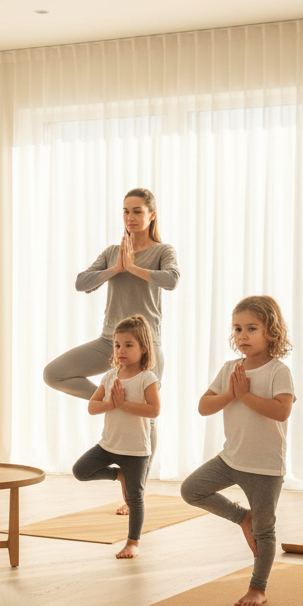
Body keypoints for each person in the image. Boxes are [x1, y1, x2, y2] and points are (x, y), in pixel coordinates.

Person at [43, 188, 179, 463]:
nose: (130, 217)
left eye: (137, 211)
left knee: (148, 420)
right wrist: (116, 268)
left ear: (152, 215)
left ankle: (135, 492)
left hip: (147, 345)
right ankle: (116, 402)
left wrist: (133, 268)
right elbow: (82, 282)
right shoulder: (112, 253)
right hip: (110, 341)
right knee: (53, 374)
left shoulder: (163, 251)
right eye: (126, 211)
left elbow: (172, 280)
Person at [181, 296, 295, 606]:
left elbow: (281, 411)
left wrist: (244, 396)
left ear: (271, 332)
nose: (242, 335)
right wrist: (231, 392)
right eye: (237, 328)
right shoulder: (230, 369)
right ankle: (240, 517)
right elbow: (204, 406)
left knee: (265, 531)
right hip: (231, 458)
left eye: (251, 328)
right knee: (191, 489)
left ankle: (258, 587)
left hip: (265, 467)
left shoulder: (278, 371)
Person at [72, 315, 160, 559]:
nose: (121, 350)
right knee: (80, 470)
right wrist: (112, 403)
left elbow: (154, 410)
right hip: (109, 445)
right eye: (117, 345)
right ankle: (117, 473)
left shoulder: (146, 378)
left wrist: (124, 404)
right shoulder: (110, 376)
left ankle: (133, 543)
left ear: (143, 349)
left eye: (129, 345)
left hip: (135, 451)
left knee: (135, 498)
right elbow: (92, 407)